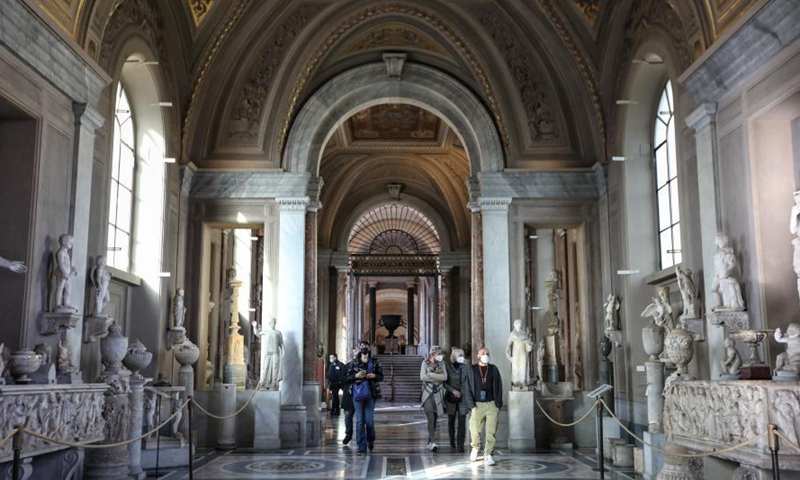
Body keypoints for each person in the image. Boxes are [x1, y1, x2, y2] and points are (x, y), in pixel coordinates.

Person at [463, 346, 503, 467]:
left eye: (487, 353)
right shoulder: (472, 369)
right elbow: (467, 388)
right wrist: (472, 406)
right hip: (477, 405)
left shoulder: (494, 369)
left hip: (492, 404)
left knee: (491, 431)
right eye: (483, 353)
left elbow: (499, 387)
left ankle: (488, 454)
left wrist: (498, 405)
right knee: (474, 428)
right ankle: (475, 447)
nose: (486, 355)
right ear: (478, 356)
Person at [347, 340, 383, 455]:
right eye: (362, 347)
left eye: (366, 347)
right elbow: (347, 377)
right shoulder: (353, 363)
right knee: (359, 421)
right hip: (357, 394)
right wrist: (356, 375)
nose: (364, 349)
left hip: (371, 393)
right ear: (359, 348)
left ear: (369, 349)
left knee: (369, 421)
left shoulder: (375, 362)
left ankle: (370, 440)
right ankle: (361, 447)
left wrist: (374, 376)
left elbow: (381, 377)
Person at [420, 345, 447, 452]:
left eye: (441, 354)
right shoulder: (424, 363)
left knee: (435, 418)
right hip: (427, 394)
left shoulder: (442, 363)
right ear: (433, 354)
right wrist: (437, 377)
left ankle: (430, 441)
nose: (441, 356)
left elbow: (445, 377)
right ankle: (432, 441)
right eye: (439, 354)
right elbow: (422, 377)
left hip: (438, 393)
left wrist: (431, 374)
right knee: (430, 416)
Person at [444, 347, 469, 452]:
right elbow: (444, 382)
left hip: (463, 398)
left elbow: (469, 381)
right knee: (451, 421)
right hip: (451, 397)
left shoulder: (466, 367)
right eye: (460, 356)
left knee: (462, 422)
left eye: (463, 355)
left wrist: (464, 392)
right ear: (454, 357)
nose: (462, 358)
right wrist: (453, 390)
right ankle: (452, 442)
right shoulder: (448, 368)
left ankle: (460, 444)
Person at [253, 318, 284, 388]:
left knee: (275, 367)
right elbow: (257, 333)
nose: (273, 324)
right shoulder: (266, 332)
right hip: (267, 351)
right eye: (272, 323)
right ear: (270, 324)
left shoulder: (278, 332)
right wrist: (254, 326)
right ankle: (263, 381)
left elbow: (281, 343)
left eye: (274, 323)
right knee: (266, 366)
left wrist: (283, 351)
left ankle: (274, 382)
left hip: (275, 351)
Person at [506, 319, 534, 387]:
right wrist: (508, 354)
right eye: (518, 323)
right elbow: (508, 344)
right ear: (515, 325)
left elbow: (529, 341)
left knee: (523, 366)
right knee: (516, 366)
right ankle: (516, 381)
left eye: (520, 323)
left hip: (523, 351)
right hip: (516, 352)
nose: (519, 325)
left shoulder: (524, 333)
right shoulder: (513, 333)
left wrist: (528, 342)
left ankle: (523, 381)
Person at [341, 347, 358, 445]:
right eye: (355, 354)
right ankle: (348, 434)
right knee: (348, 416)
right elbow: (342, 379)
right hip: (349, 395)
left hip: (361, 395)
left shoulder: (365, 366)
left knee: (361, 418)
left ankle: (361, 436)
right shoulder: (346, 366)